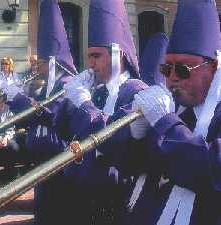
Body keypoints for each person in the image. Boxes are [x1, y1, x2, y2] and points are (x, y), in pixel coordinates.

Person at [126, 0, 221, 224]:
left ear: (215, 67)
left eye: (183, 69)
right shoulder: (176, 110)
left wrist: (165, 124)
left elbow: (212, 170)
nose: (172, 78)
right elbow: (131, 168)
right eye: (166, 69)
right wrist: (135, 136)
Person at [61, 0, 147, 224]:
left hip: (116, 199)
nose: (90, 63)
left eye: (96, 56)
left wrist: (84, 104)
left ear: (118, 55)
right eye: (89, 56)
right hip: (86, 197)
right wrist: (69, 99)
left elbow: (112, 140)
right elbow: (63, 129)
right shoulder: (97, 92)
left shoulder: (136, 91)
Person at [7, 1, 77, 225]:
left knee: (55, 212)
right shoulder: (46, 85)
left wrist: (18, 98)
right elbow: (32, 115)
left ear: (54, 62)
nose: (37, 67)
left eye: (42, 62)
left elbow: (48, 114)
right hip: (42, 159)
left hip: (59, 161)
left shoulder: (66, 84)